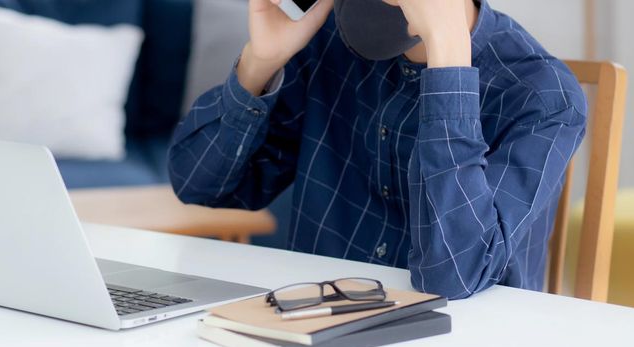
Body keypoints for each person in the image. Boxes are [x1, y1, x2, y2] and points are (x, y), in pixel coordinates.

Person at [168, 0, 586, 299]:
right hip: (320, 320)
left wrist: (448, 61)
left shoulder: (543, 97)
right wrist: (259, 62)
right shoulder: (328, 45)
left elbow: (454, 275)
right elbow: (199, 185)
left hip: (465, 333)